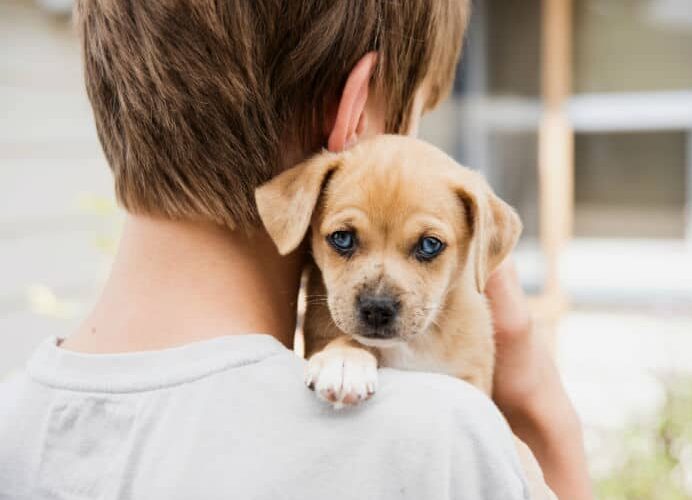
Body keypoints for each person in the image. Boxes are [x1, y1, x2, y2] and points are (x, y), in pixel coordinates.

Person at [0, 1, 592, 498]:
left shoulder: (13, 427)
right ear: (353, 114)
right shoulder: (438, 438)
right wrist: (546, 422)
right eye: (413, 120)